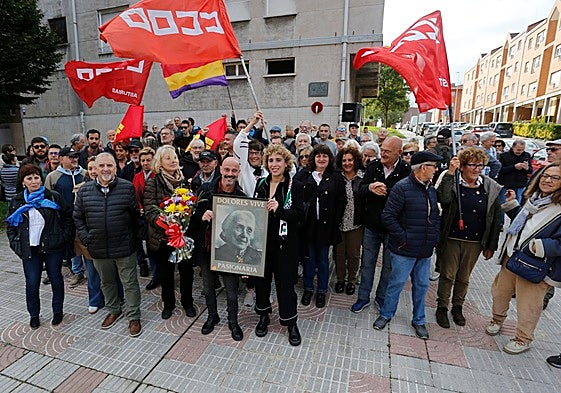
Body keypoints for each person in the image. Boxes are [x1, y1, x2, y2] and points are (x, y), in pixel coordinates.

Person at [486, 162, 561, 354]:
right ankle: (497, 319)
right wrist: (513, 206)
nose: (547, 180)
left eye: (555, 177)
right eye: (545, 175)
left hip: (536, 264)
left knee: (529, 304)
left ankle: (523, 338)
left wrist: (541, 247)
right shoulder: (535, 199)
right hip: (512, 256)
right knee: (500, 293)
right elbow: (524, 225)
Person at [74, 153, 144, 337]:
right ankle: (113, 309)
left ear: (115, 168)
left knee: (129, 283)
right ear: (94, 168)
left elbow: (136, 216)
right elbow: (78, 217)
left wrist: (134, 240)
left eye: (110, 166)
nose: (106, 169)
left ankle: (134, 316)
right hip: (98, 248)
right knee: (106, 282)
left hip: (124, 247)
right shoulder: (84, 191)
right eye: (102, 166)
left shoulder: (127, 188)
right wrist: (86, 237)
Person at [373, 151, 442, 339]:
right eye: (433, 166)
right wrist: (404, 238)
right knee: (396, 283)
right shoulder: (402, 188)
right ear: (422, 168)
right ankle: (386, 314)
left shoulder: (431, 189)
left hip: (424, 250)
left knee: (421, 285)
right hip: (404, 250)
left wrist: (434, 238)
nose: (436, 170)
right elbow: (387, 216)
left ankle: (419, 320)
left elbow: (434, 216)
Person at [435, 148, 502, 328]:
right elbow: (444, 198)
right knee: (448, 275)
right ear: (462, 166)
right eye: (472, 165)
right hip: (452, 238)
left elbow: (495, 218)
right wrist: (450, 172)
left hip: (474, 242)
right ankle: (442, 306)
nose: (477, 169)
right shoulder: (454, 183)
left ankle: (457, 307)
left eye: (480, 165)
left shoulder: (489, 187)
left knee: (464, 277)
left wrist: (491, 245)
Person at [6, 164, 73, 329]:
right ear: (23, 182)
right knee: (32, 282)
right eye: (29, 178)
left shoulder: (53, 197)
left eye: (36, 177)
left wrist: (63, 238)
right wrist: (16, 244)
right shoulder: (17, 201)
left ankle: (58, 311)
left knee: (56, 279)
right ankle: (34, 314)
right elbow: (11, 226)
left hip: (52, 247)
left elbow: (67, 218)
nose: (34, 181)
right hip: (30, 249)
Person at [252, 144, 304, 346]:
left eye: (278, 160)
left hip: (286, 245)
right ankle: (263, 315)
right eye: (271, 160)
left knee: (285, 285)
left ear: (286, 163)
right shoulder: (261, 184)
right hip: (262, 243)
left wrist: (280, 209)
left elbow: (299, 215)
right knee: (262, 283)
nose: (274, 164)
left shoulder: (294, 185)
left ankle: (290, 322)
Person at [351, 136, 410, 313]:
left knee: (388, 267)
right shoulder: (373, 166)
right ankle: (363, 297)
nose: (383, 153)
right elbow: (360, 189)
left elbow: (408, 196)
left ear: (399, 153)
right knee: (367, 263)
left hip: (393, 228)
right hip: (372, 226)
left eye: (387, 151)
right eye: (382, 149)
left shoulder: (406, 170)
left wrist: (386, 191)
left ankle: (381, 297)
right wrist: (370, 188)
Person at [190, 157, 247, 341]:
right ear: (220, 169)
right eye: (227, 169)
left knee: (231, 290)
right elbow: (191, 215)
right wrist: (201, 215)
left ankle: (233, 321)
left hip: (229, 254)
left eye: (234, 171)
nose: (230, 174)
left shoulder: (243, 198)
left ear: (238, 173)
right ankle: (212, 316)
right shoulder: (206, 190)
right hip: (207, 249)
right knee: (208, 287)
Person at [143, 145, 195, 320]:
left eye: (174, 157)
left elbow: (190, 205)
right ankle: (169, 304)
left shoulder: (185, 181)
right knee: (166, 274)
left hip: (183, 237)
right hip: (163, 237)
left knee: (187, 272)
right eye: (168, 158)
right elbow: (150, 209)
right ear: (160, 162)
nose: (173, 161)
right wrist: (166, 221)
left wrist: (186, 216)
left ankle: (188, 303)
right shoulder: (153, 182)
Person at [296, 144, 346, 308]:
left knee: (323, 260)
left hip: (326, 227)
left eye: (325, 156)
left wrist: (335, 222)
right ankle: (308, 288)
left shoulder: (336, 177)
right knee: (309, 259)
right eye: (318, 156)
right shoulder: (304, 175)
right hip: (308, 227)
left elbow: (341, 201)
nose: (321, 159)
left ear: (329, 158)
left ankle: (322, 291)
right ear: (313, 158)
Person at [334, 147, 364, 295]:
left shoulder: (362, 178)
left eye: (350, 160)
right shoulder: (336, 177)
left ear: (356, 160)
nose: (347, 163)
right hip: (338, 223)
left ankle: (352, 280)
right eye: (344, 160)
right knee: (339, 253)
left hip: (356, 224)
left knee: (353, 254)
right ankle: (340, 279)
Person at [132, 147, 158, 289]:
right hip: (142, 217)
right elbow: (135, 195)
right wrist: (140, 207)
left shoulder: (157, 176)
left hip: (154, 216)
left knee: (154, 248)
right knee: (147, 245)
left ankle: (158, 274)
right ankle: (152, 273)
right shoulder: (137, 177)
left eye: (148, 160)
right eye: (143, 160)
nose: (145, 163)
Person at [497, 139, 532, 204]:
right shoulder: (504, 156)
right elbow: (500, 170)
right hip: (506, 185)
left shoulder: (527, 155)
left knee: (518, 205)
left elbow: (530, 171)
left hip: (520, 185)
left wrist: (527, 168)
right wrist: (514, 167)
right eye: (518, 150)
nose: (520, 152)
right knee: (503, 204)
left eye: (522, 150)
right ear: (513, 147)